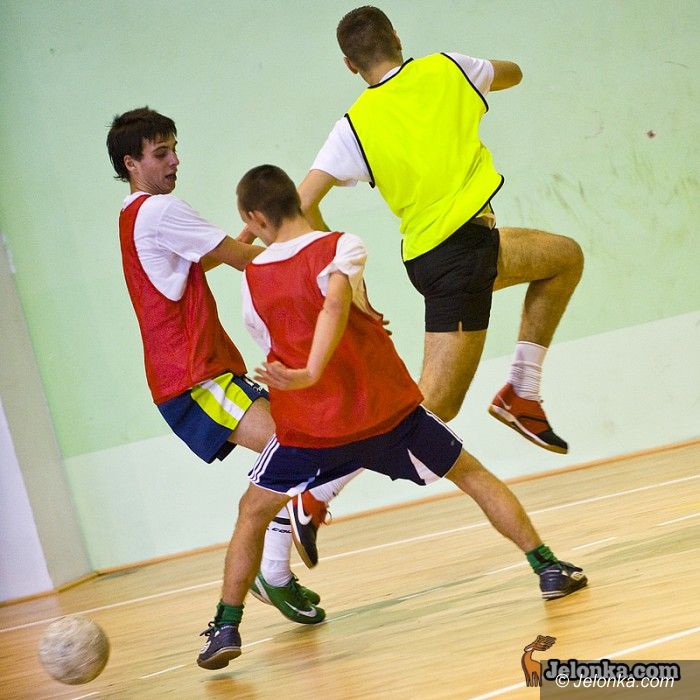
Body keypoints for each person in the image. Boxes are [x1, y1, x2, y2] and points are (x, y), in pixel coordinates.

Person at [195, 163, 587, 670]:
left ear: (253, 218)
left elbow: (271, 340)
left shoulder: (252, 278)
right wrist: (329, 354)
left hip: (308, 428)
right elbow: (338, 304)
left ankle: (226, 625)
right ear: (294, 199)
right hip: (383, 413)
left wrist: (305, 373)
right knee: (472, 475)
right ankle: (548, 568)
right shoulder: (342, 245)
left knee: (252, 513)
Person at [296, 6, 585, 454]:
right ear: (397, 37)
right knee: (434, 409)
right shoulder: (449, 68)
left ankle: (522, 391)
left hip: (455, 248)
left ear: (350, 65)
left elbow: (302, 203)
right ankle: (322, 481)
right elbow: (514, 73)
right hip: (457, 259)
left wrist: (349, 276)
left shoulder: (351, 127)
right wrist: (475, 76)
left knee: (564, 257)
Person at [106, 107, 351, 627]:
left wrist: (253, 232)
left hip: (200, 374)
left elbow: (214, 255)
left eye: (175, 148)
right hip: (194, 377)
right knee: (301, 448)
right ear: (131, 163)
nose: (175, 161)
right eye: (161, 153)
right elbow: (246, 260)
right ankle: (266, 575)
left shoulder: (132, 214)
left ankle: (271, 571)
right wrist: (325, 263)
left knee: (300, 450)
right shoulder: (161, 210)